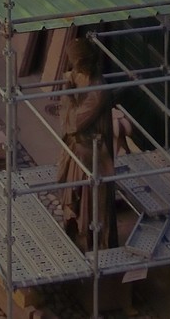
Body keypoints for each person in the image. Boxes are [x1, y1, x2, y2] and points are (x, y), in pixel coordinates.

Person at [53, 35, 118, 255]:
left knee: (92, 206)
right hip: (78, 149)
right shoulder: (79, 77)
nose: (72, 67)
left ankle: (93, 245)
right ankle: (74, 234)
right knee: (75, 201)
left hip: (93, 154)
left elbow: (74, 123)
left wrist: (68, 97)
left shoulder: (98, 91)